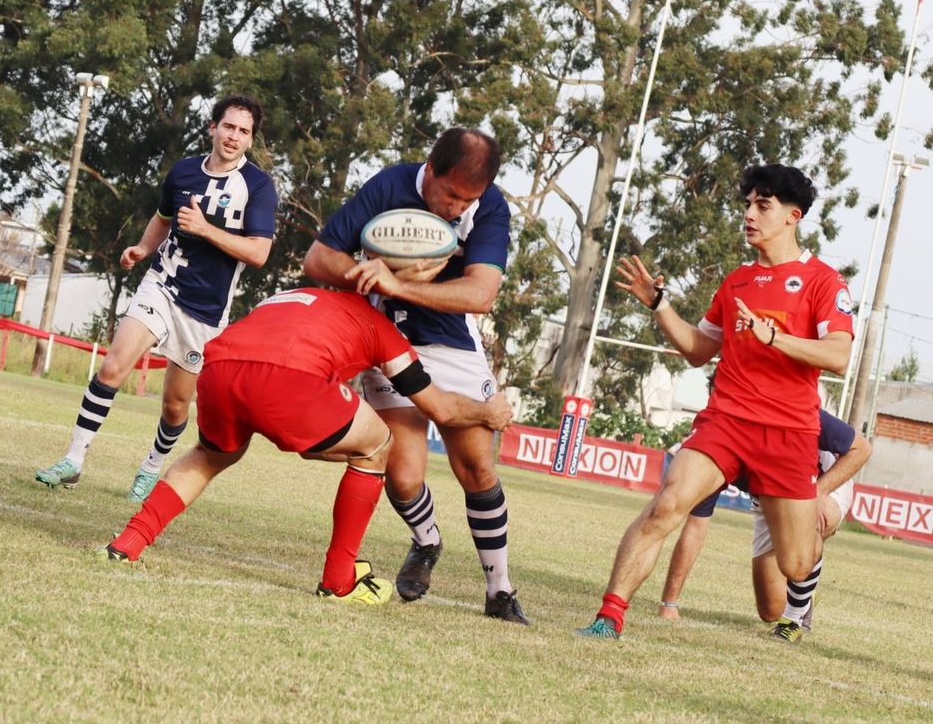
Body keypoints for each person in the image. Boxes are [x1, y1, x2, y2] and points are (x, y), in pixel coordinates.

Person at [100, 287, 513, 605]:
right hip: (291, 381)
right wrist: (487, 413)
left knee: (209, 455)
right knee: (379, 445)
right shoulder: (380, 325)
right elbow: (437, 406)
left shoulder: (294, 295)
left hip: (220, 367)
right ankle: (338, 580)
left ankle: (128, 543)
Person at [578, 163, 854, 639]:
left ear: (793, 215)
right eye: (747, 204)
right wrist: (659, 303)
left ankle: (808, 549)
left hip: (789, 433)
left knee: (791, 570)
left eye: (762, 205)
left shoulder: (824, 282)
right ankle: (609, 616)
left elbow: (839, 356)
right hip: (726, 422)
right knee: (666, 506)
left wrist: (775, 338)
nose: (749, 213)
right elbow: (698, 350)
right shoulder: (736, 282)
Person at [302, 127, 527, 623]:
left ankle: (500, 591)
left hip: (452, 342)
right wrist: (370, 272)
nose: (455, 208)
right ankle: (426, 541)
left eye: (467, 199)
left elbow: (480, 294)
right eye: (449, 194)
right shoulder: (389, 186)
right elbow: (318, 259)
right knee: (402, 476)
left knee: (476, 468)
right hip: (389, 340)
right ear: (431, 170)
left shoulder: (488, 207)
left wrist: (397, 284)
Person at [34, 95, 276, 499]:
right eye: (229, 126)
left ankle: (150, 466)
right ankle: (74, 459)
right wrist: (144, 248)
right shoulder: (182, 172)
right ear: (212, 127)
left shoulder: (257, 187)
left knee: (175, 407)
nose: (234, 136)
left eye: (244, 131)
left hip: (206, 310)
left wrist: (205, 229)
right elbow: (163, 218)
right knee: (114, 366)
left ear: (251, 140)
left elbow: (258, 253)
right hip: (161, 284)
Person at [657, 409, 871, 644]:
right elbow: (695, 528)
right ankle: (804, 597)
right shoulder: (713, 446)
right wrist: (669, 603)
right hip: (769, 500)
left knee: (811, 521)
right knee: (770, 610)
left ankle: (792, 620)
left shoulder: (790, 408)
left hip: (820, 485)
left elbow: (861, 449)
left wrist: (819, 491)